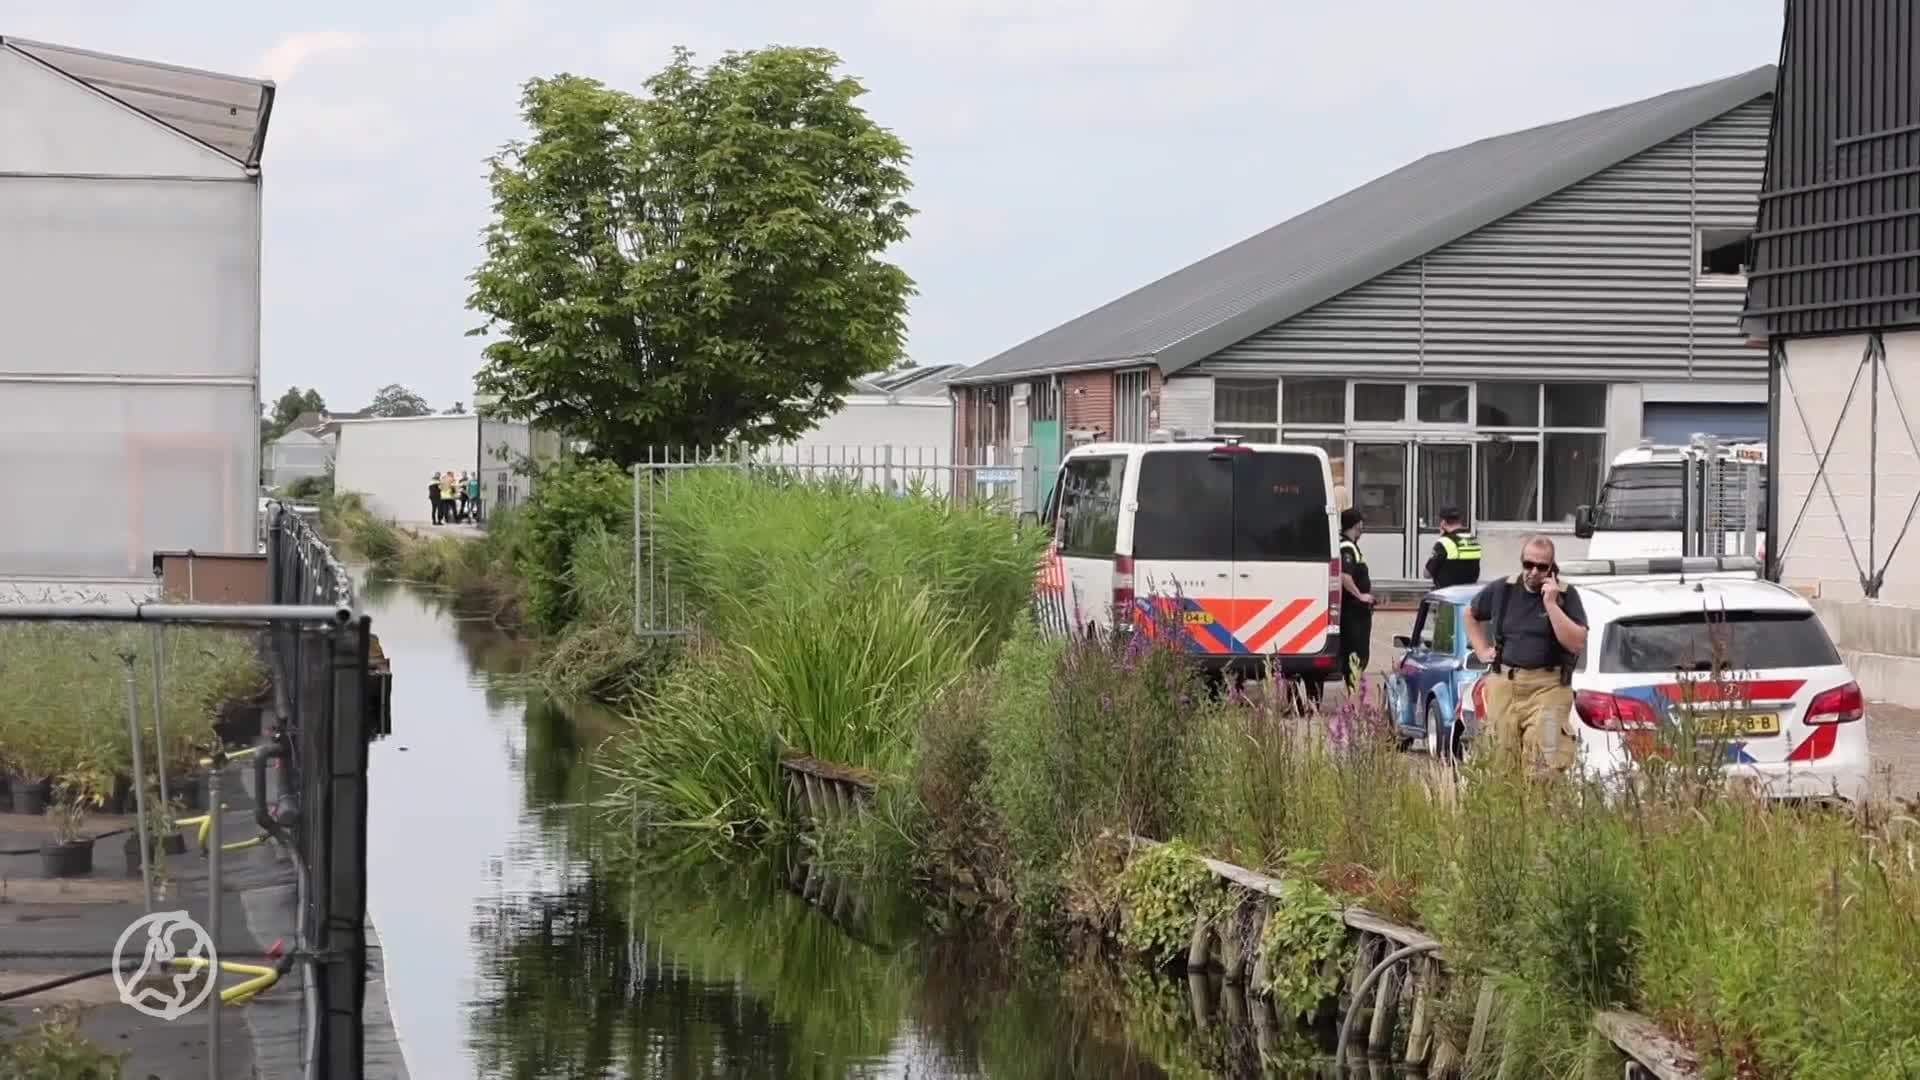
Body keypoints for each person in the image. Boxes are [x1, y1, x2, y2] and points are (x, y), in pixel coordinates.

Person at [1462, 536, 1589, 773]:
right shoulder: (1503, 589)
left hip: (1548, 686)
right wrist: (1481, 649)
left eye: (1542, 567)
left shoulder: (1566, 595)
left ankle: (1540, 808)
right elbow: (1470, 614)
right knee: (1500, 760)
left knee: (1543, 763)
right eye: (1528, 564)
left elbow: (1576, 643)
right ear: (1521, 562)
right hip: (1505, 684)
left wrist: (1551, 604)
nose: (1534, 572)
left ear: (1552, 568)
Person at [1337, 508, 1374, 691]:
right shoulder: (1347, 547)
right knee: (1356, 654)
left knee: (1358, 655)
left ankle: (1354, 693)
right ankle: (1353, 697)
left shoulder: (1350, 545)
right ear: (1357, 524)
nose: (1363, 526)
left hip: (1356, 612)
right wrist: (1360, 596)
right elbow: (1345, 576)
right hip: (1353, 612)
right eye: (1361, 522)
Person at [1425, 507, 1482, 589]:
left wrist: (1441, 539)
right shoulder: (1473, 541)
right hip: (1468, 593)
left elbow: (1427, 574)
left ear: (1443, 522)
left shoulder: (1444, 542)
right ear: (1460, 521)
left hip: (1447, 594)